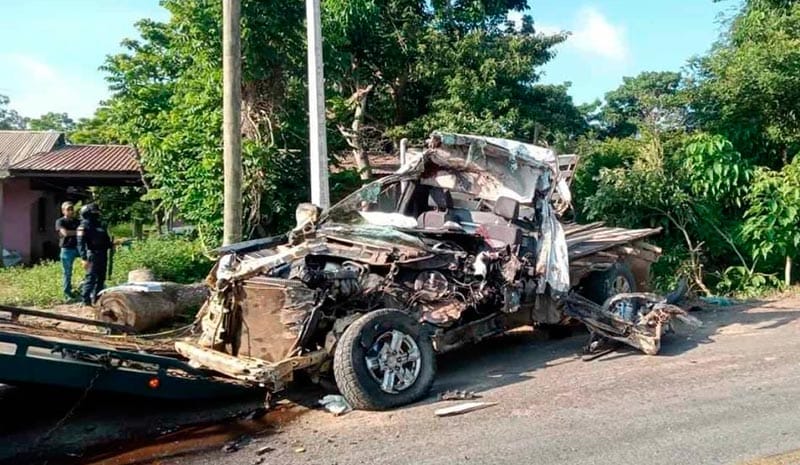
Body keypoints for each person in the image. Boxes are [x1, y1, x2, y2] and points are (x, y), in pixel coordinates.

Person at [76, 203, 112, 306]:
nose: (96, 214)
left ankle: (97, 299)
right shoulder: (83, 226)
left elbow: (105, 239)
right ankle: (85, 300)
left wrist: (111, 244)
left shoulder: (100, 225)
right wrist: (83, 258)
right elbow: (80, 243)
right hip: (92, 254)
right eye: (94, 212)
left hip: (103, 254)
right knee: (90, 278)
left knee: (101, 278)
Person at [55, 201, 79, 301]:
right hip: (67, 249)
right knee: (67, 272)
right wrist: (78, 232)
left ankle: (86, 289)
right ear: (63, 211)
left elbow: (85, 232)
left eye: (72, 209)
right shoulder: (60, 221)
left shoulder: (78, 221)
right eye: (68, 209)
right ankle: (67, 294)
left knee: (90, 266)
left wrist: (75, 232)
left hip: (78, 248)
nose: (70, 211)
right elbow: (64, 233)